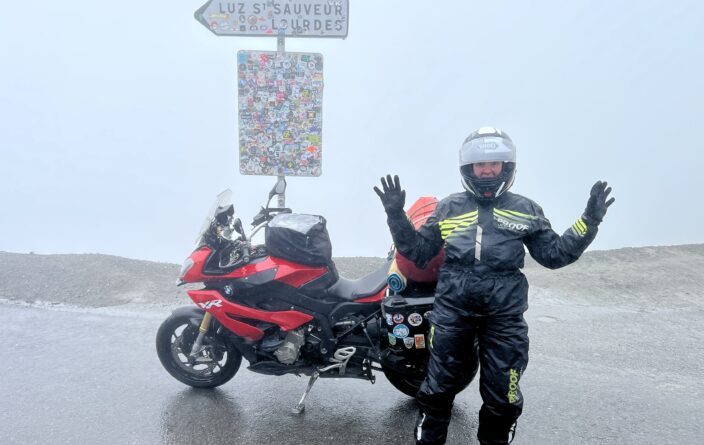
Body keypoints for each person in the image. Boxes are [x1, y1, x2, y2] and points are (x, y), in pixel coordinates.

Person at [373, 127, 614, 445]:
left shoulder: (525, 209)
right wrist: (396, 216)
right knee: (437, 389)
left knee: (504, 395)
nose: (486, 170)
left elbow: (555, 254)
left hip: (504, 316)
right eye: (479, 165)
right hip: (452, 311)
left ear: (507, 167)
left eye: (494, 164)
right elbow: (418, 253)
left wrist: (589, 221)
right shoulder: (448, 208)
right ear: (467, 169)